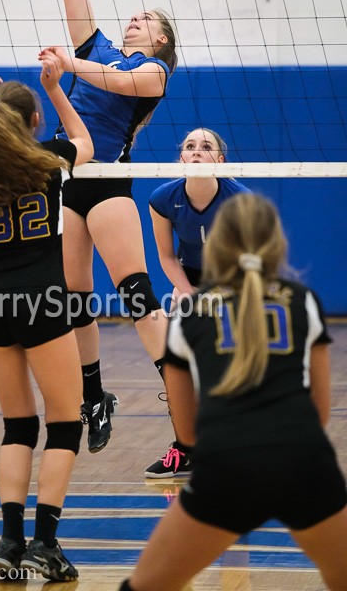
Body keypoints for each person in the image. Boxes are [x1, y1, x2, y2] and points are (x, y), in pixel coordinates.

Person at [0, 0, 178, 456]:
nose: (135, 20)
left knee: (135, 294)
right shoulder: (96, 49)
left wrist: (69, 65)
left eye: (146, 20)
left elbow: (121, 81)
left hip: (108, 181)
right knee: (73, 301)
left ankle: (182, 406)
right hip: (69, 183)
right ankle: (95, 396)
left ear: (161, 41)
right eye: (132, 16)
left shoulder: (153, 72)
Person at [120, 193, 347, 591]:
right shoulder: (304, 303)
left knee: (145, 586)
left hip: (226, 467)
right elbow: (321, 412)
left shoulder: (189, 316)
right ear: (277, 243)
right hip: (304, 462)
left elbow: (187, 435)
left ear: (216, 246)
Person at [0, 52, 93, 582]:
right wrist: (55, 89)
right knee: (65, 421)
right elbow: (87, 143)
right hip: (41, 298)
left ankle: (9, 543)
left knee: (17, 425)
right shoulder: (50, 157)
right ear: (33, 123)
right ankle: (45, 544)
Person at [145, 127, 250, 478]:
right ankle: (184, 447)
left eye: (206, 147)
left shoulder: (240, 200)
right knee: (177, 366)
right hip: (188, 278)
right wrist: (187, 293)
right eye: (189, 146)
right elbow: (165, 257)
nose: (196, 152)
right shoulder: (163, 198)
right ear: (181, 158)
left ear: (220, 160)